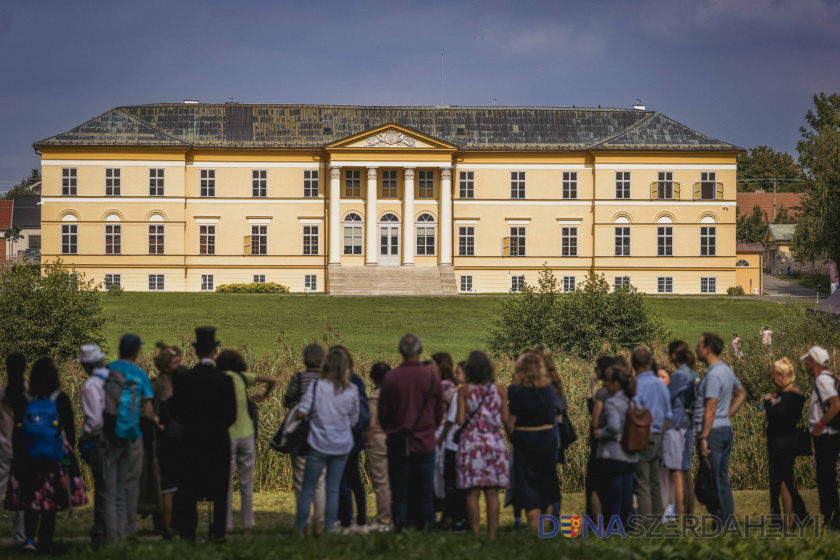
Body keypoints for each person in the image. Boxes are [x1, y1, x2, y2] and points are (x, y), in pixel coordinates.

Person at [7, 357, 84, 554]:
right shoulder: (60, 398)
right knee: (49, 501)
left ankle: (29, 539)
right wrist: (68, 450)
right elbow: (70, 429)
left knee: (31, 499)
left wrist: (18, 455)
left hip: (29, 457)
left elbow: (17, 431)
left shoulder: (25, 399)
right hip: (53, 457)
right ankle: (45, 542)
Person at [171, 327, 237, 542]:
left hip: (191, 439)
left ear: (196, 352)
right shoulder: (224, 380)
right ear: (214, 352)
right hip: (218, 439)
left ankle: (188, 531)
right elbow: (232, 414)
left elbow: (177, 412)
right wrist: (218, 427)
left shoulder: (185, 379)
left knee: (189, 486)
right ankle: (218, 532)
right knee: (219, 488)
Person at [378, 334, 443, 532]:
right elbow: (439, 413)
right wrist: (429, 429)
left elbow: (383, 412)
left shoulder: (391, 377)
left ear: (400, 351)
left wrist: (392, 430)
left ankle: (401, 526)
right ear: (420, 350)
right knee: (425, 490)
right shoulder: (432, 377)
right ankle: (426, 526)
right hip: (425, 442)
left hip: (398, 441)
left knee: (399, 490)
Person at [294, 348, 360, 533]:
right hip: (342, 445)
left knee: (308, 488)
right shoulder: (352, 389)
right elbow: (354, 420)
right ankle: (329, 527)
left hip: (318, 443)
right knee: (333, 489)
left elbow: (301, 412)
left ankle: (300, 528)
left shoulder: (317, 386)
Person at [102, 334, 156, 544]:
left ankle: (110, 531)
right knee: (130, 484)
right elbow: (148, 412)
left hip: (109, 434)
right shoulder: (141, 375)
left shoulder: (107, 371)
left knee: (109, 485)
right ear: (137, 351)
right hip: (133, 435)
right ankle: (128, 528)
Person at [216, 349, 276, 538]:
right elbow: (272, 379)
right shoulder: (243, 378)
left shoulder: (219, 379)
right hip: (247, 434)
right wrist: (264, 395)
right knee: (246, 483)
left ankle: (225, 527)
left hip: (227, 435)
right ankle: (247, 528)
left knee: (225, 485)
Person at [455, 351, 508, 539]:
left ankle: (476, 533)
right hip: (493, 441)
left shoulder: (464, 390)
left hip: (472, 443)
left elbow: (460, 420)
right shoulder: (499, 389)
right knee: (492, 492)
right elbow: (506, 418)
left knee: (472, 493)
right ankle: (492, 534)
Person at [695, 333, 747, 524]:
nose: (696, 349)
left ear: (708, 349)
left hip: (713, 432)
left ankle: (723, 522)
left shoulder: (713, 375)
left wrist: (704, 436)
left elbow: (710, 407)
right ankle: (727, 519)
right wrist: (726, 414)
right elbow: (741, 393)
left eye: (699, 345)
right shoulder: (725, 370)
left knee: (714, 478)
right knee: (722, 478)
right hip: (725, 429)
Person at [507, 353, 558, 533]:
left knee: (528, 483)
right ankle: (546, 527)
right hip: (547, 437)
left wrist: (512, 437)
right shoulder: (549, 390)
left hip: (526, 438)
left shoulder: (518, 392)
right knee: (547, 480)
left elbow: (510, 423)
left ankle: (535, 528)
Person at [761, 357, 809, 527]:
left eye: (773, 378)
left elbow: (779, 416)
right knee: (781, 481)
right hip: (780, 440)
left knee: (783, 480)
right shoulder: (787, 394)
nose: (772, 382)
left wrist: (768, 402)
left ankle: (799, 514)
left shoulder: (792, 396)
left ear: (781, 375)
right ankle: (788, 518)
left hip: (784, 441)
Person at [284, 343, 327, 535]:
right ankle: (320, 525)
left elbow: (287, 401)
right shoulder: (329, 380)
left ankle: (305, 525)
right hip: (323, 433)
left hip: (302, 434)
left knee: (301, 482)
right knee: (320, 482)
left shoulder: (299, 378)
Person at [594, 365, 639, 526]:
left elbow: (613, 426)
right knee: (627, 495)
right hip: (631, 454)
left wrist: (600, 433)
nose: (606, 385)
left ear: (616, 383)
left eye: (608, 382)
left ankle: (614, 527)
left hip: (614, 453)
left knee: (614, 495)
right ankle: (629, 525)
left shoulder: (612, 402)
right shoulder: (633, 401)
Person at [630, 346, 672, 518]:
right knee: (655, 482)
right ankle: (657, 521)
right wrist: (659, 431)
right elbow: (668, 415)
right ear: (650, 362)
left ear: (633, 364)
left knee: (642, 483)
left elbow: (631, 412)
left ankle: (646, 523)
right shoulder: (660, 385)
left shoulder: (635, 385)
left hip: (640, 436)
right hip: (658, 435)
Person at [802, 345, 840, 530]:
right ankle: (832, 518)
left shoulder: (822, 380)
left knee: (825, 478)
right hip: (830, 434)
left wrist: (819, 425)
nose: (806, 365)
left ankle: (832, 519)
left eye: (807, 362)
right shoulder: (830, 378)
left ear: (813, 362)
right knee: (827, 476)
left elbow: (835, 405)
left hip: (826, 436)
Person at [333, 346, 370, 534]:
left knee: (340, 480)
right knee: (355, 479)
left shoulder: (331, 382)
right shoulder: (356, 381)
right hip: (354, 437)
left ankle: (344, 520)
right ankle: (361, 520)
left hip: (337, 436)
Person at [77, 344, 109, 545]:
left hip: (102, 440)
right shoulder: (117, 378)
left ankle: (101, 528)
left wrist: (84, 437)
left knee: (102, 487)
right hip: (124, 437)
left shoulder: (91, 385)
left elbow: (95, 421)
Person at [150, 343, 183, 539]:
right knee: (163, 482)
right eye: (175, 362)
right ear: (165, 365)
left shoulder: (180, 381)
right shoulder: (156, 384)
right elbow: (149, 410)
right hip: (161, 439)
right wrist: (159, 425)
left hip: (178, 439)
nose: (179, 365)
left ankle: (176, 521)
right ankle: (161, 523)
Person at [436, 360, 467, 532]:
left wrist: (442, 436)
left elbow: (454, 419)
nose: (455, 375)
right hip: (473, 442)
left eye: (458, 372)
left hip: (454, 441)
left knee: (450, 482)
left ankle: (453, 519)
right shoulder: (490, 390)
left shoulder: (460, 392)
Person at [668, 340, 698, 516]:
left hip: (676, 425)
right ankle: (688, 516)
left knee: (677, 475)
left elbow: (667, 398)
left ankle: (681, 518)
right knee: (686, 473)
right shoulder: (692, 373)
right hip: (688, 424)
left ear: (673, 355)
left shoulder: (679, 375)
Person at [0, 352, 27, 544]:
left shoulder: (2, 393)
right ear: (25, 368)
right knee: (23, 492)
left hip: (3, 447)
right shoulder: (29, 392)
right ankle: (20, 534)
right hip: (24, 448)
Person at [586, 355, 614, 519]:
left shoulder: (603, 393)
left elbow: (594, 416)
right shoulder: (623, 391)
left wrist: (592, 387)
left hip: (601, 441)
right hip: (618, 443)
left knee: (594, 483)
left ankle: (598, 522)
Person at [366, 362, 393, 531]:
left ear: (373, 378)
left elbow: (371, 422)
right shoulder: (396, 394)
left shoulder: (375, 397)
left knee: (381, 482)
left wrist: (367, 441)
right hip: (396, 439)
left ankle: (384, 519)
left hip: (378, 439)